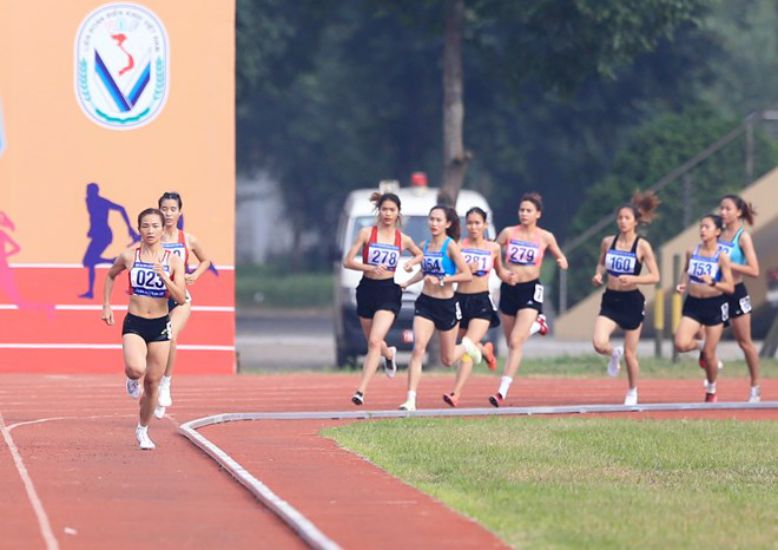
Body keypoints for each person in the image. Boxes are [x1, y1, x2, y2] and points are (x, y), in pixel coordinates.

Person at [101, 208, 186, 450]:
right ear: (139, 229)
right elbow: (111, 274)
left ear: (163, 229)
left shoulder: (173, 260)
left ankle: (143, 429)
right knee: (136, 369)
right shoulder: (130, 256)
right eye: (145, 226)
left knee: (152, 384)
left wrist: (165, 277)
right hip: (135, 323)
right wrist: (107, 305)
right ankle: (130, 378)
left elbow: (180, 298)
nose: (150, 230)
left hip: (160, 325)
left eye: (155, 226)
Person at [343, 192, 422, 405]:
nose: (388, 213)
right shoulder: (367, 233)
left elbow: (420, 254)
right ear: (379, 210)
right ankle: (389, 354)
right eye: (384, 209)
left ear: (398, 213)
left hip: (389, 291)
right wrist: (369, 267)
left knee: (374, 341)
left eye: (392, 210)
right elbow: (347, 262)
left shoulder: (402, 239)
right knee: (374, 342)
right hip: (367, 290)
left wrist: (410, 263)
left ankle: (360, 391)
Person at [489, 192, 568, 407]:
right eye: (522, 210)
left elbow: (560, 255)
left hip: (531, 290)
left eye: (529, 211)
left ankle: (501, 392)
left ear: (538, 214)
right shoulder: (508, 233)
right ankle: (538, 325)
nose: (524, 214)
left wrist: (561, 261)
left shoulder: (545, 237)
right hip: (509, 289)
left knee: (516, 341)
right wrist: (503, 272)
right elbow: (492, 254)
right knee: (511, 342)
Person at [398, 205, 472, 411]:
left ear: (447, 224)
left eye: (439, 220)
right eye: (431, 219)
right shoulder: (426, 245)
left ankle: (470, 347)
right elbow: (425, 271)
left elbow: (466, 274)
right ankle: (411, 400)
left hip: (446, 305)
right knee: (418, 347)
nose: (434, 224)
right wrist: (407, 282)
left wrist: (444, 279)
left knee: (448, 359)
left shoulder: (451, 247)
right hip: (426, 303)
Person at [591, 192, 660, 406]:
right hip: (611, 299)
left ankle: (632, 391)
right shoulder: (608, 242)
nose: (622, 222)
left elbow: (655, 276)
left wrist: (634, 278)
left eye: (627, 218)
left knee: (631, 354)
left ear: (635, 222)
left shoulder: (642, 246)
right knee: (598, 343)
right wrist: (599, 274)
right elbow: (602, 262)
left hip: (632, 301)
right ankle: (613, 353)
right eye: (620, 218)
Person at [154, 191, 212, 418]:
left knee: (170, 335)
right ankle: (153, 384)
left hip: (180, 299)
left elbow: (206, 260)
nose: (168, 214)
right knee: (154, 347)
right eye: (164, 209)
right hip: (156, 300)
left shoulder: (188, 239)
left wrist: (195, 274)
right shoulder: (153, 238)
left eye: (172, 209)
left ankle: (166, 383)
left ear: (179, 212)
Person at [441, 207, 501, 407]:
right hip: (460, 299)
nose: (473, 227)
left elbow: (500, 271)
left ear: (485, 225)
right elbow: (450, 268)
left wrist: (509, 276)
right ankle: (484, 351)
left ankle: (455, 394)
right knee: (468, 344)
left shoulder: (493, 248)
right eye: (470, 223)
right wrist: (465, 269)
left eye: (477, 223)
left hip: (481, 301)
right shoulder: (457, 245)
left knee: (466, 344)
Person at [674, 214, 734, 403]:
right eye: (701, 227)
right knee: (681, 344)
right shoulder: (692, 251)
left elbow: (730, 287)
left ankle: (711, 388)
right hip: (693, 303)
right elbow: (686, 270)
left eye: (707, 227)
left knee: (709, 356)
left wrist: (714, 282)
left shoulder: (721, 257)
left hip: (714, 305)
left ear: (717, 232)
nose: (702, 230)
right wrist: (682, 284)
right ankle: (701, 345)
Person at [718, 194, 761, 402]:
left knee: (744, 342)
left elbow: (754, 270)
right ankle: (710, 370)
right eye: (721, 208)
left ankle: (755, 386)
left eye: (727, 209)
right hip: (716, 291)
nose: (723, 213)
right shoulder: (717, 233)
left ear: (738, 212)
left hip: (736, 292)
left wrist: (727, 264)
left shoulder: (742, 237)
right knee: (701, 335)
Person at [79, 183, 140, 299]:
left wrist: (130, 228)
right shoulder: (90, 201)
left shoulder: (100, 202)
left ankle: (91, 291)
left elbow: (121, 208)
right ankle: (113, 261)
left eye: (90, 191)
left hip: (104, 235)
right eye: (88, 191)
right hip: (99, 234)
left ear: (95, 192)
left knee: (88, 261)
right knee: (88, 262)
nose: (87, 193)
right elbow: (95, 217)